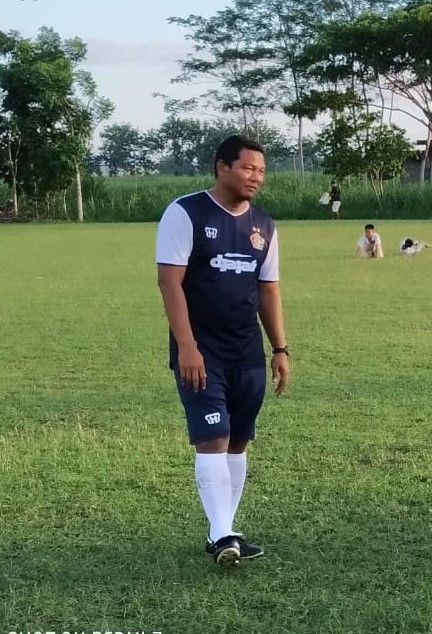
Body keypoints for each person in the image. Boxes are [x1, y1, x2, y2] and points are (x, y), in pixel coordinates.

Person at [155, 134, 291, 567]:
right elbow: (169, 282)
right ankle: (221, 534)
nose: (256, 177)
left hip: (247, 350)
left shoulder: (264, 225)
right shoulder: (186, 212)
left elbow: (269, 290)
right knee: (212, 437)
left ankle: (226, 531)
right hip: (202, 351)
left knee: (237, 442)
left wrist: (280, 348)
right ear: (222, 167)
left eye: (262, 171)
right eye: (248, 168)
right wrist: (187, 346)